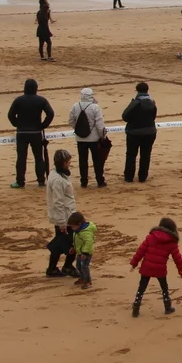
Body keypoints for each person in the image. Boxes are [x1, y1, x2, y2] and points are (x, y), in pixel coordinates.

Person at [130, 218, 182, 317]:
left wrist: (134, 263)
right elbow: (178, 258)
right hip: (160, 269)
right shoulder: (172, 242)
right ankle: (167, 307)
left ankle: (136, 307)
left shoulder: (150, 237)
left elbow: (141, 251)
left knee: (141, 287)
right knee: (164, 288)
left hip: (146, 267)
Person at [7, 78, 55, 188]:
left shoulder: (18, 100)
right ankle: (41, 180)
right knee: (39, 157)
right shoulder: (41, 100)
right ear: (36, 89)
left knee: (21, 158)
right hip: (36, 132)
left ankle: (20, 181)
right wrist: (43, 125)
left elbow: (10, 115)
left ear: (24, 88)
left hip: (22, 133)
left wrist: (16, 124)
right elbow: (51, 113)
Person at [44, 149, 78, 278]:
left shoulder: (57, 174)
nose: (69, 164)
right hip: (65, 216)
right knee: (73, 242)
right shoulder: (57, 179)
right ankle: (67, 266)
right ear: (63, 163)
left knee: (60, 243)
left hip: (65, 215)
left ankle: (52, 268)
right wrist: (62, 223)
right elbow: (58, 202)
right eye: (68, 162)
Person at [69, 88, 107, 188]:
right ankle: (100, 181)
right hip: (94, 139)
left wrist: (79, 129)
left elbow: (71, 121)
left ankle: (84, 182)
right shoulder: (95, 107)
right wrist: (102, 136)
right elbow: (99, 124)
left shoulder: (75, 106)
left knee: (82, 161)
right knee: (97, 161)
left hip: (80, 139)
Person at [122, 82, 158, 182]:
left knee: (131, 155)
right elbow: (153, 116)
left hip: (134, 132)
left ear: (137, 90)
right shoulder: (152, 103)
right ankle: (143, 177)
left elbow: (125, 116)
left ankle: (129, 177)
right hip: (150, 132)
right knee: (146, 154)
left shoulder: (135, 103)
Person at [68, 211, 96, 290]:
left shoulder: (86, 232)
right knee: (78, 266)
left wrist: (85, 253)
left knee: (84, 266)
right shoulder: (77, 231)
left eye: (73, 226)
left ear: (79, 224)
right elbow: (76, 241)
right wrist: (73, 247)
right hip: (80, 252)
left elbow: (89, 242)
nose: (72, 228)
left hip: (86, 253)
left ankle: (88, 281)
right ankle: (82, 278)